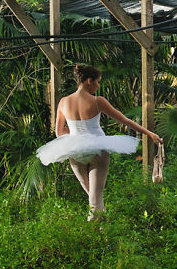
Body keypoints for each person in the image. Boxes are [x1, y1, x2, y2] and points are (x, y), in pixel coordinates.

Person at [36, 64, 162, 221]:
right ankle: (98, 236)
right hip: (97, 151)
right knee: (95, 201)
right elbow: (124, 120)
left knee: (93, 199)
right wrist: (149, 134)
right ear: (89, 81)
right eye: (98, 82)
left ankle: (101, 233)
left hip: (75, 152)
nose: (98, 85)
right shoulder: (97, 101)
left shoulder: (63, 102)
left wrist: (77, 134)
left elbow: (59, 132)